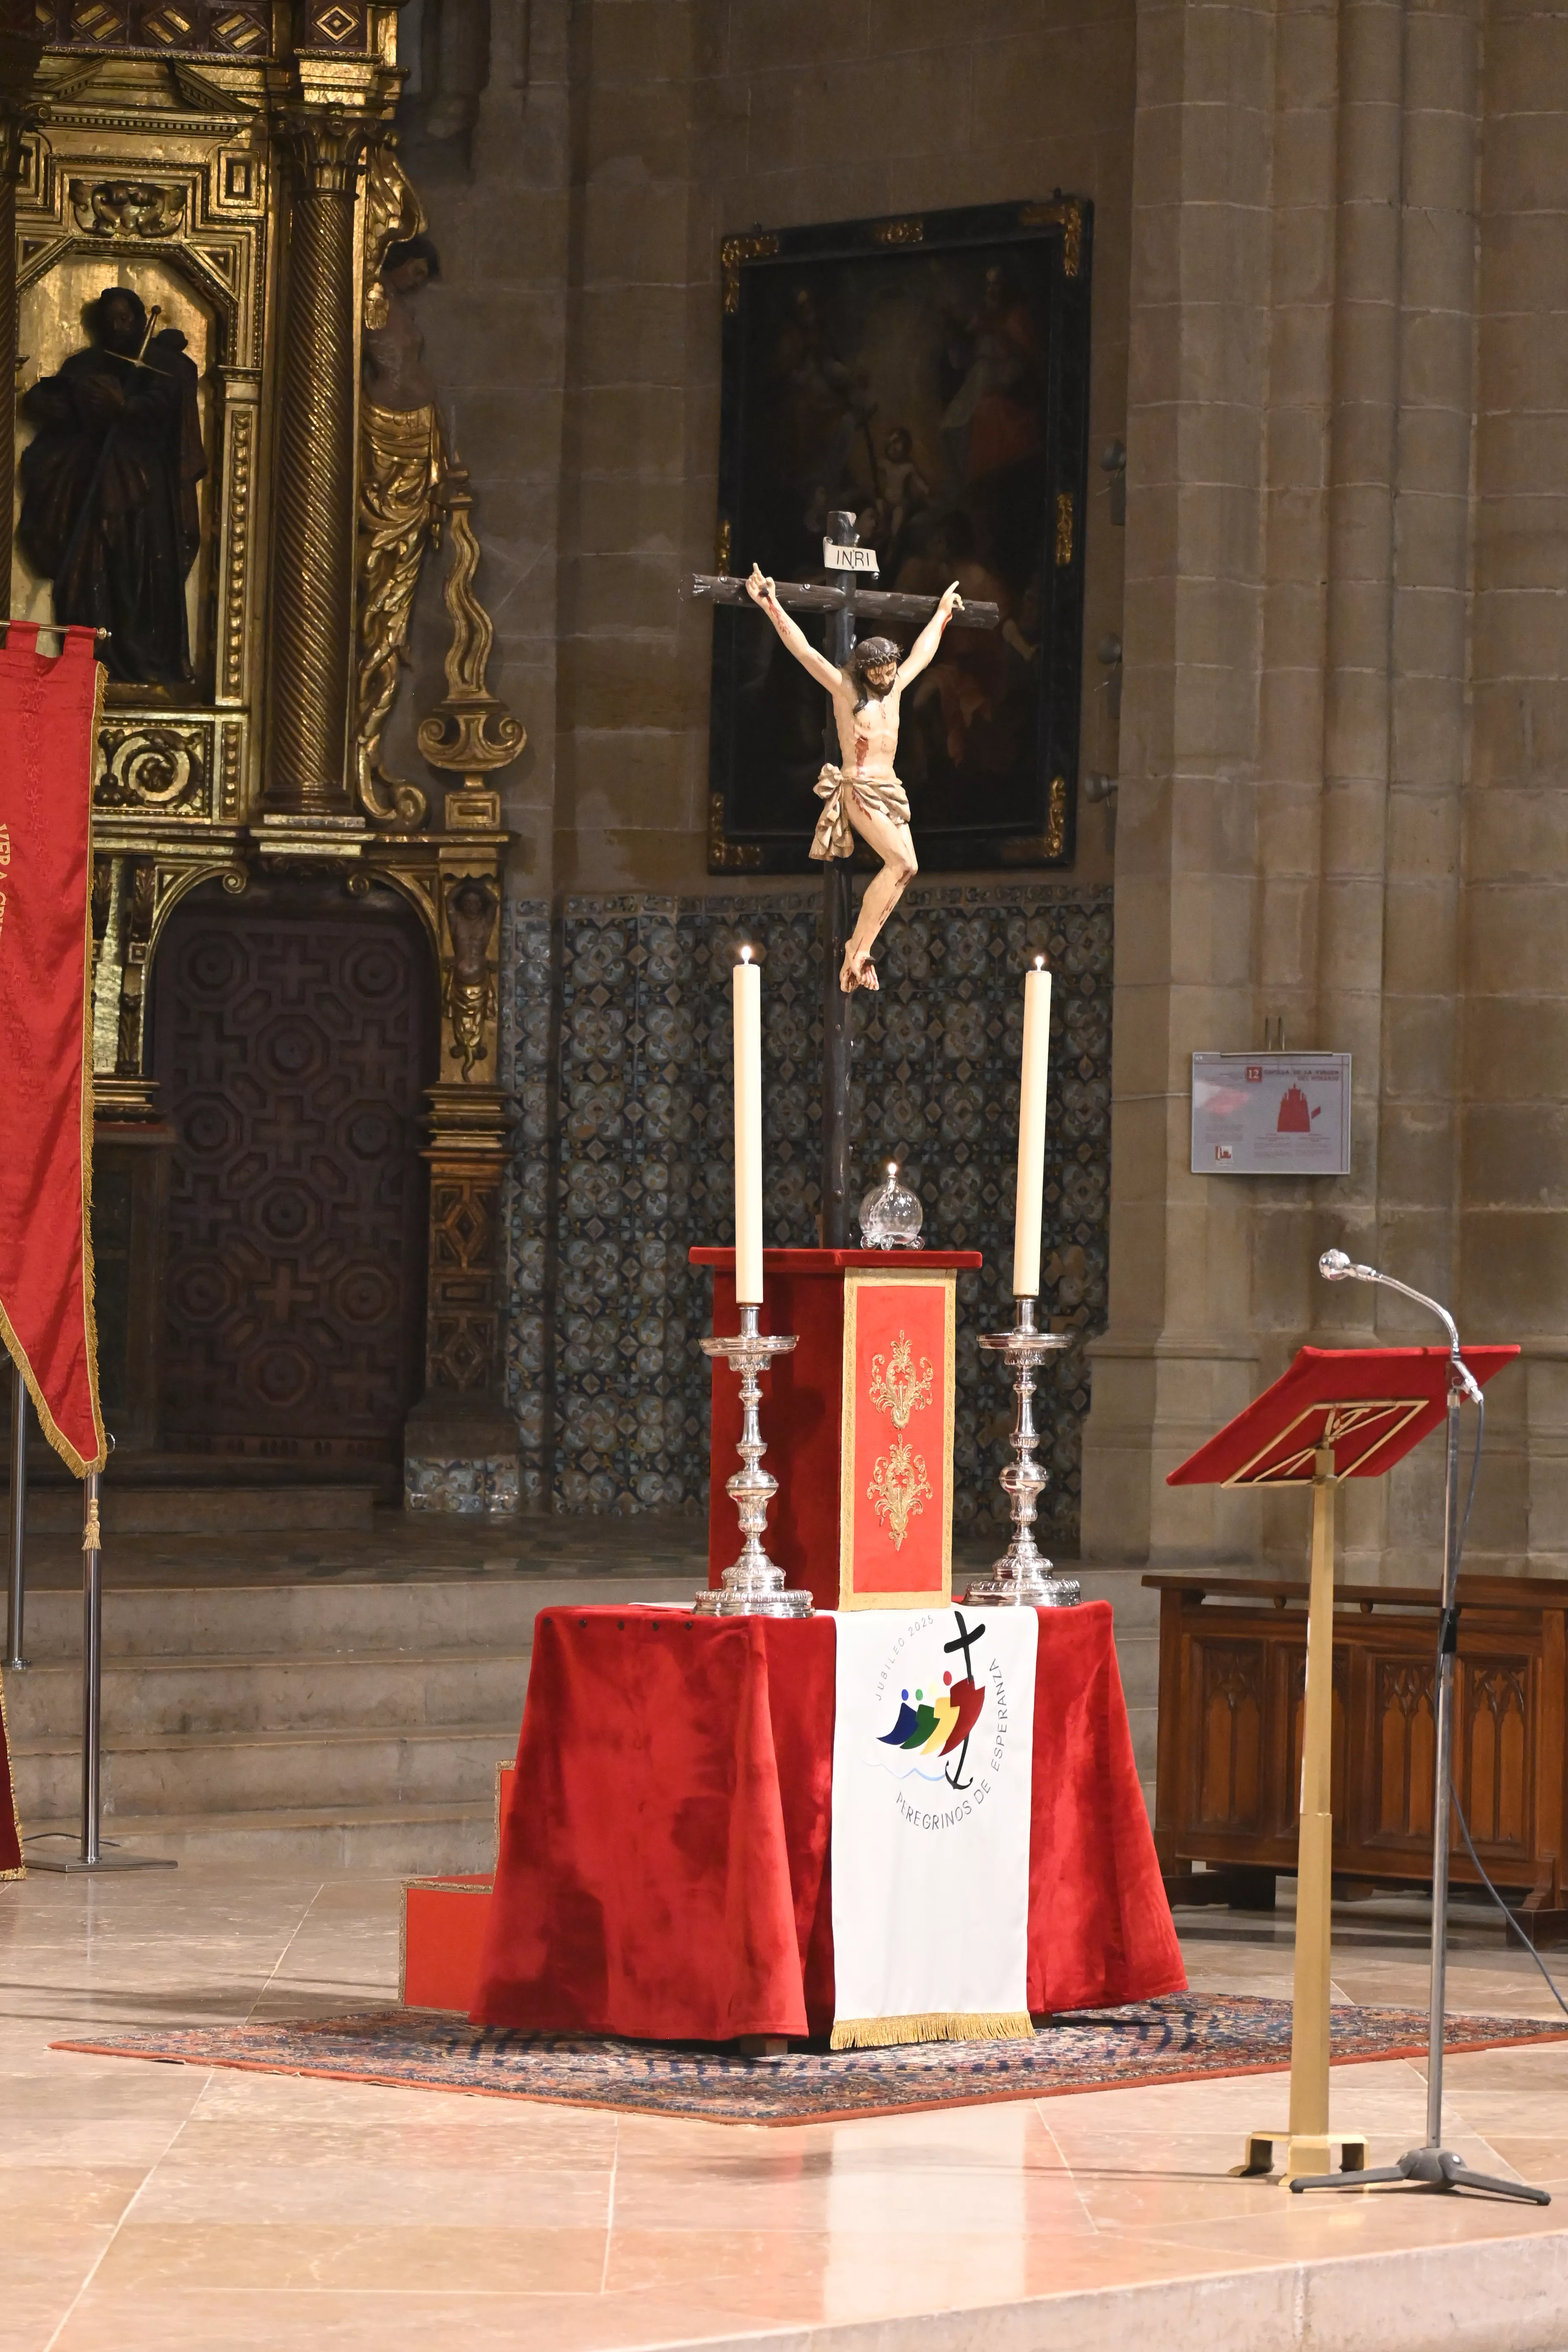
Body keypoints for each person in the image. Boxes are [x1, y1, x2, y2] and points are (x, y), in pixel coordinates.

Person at [745, 560, 964, 993]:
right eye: (878, 674)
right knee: (900, 861)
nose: (885, 679)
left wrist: (941, 614)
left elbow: (922, 653)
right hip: (860, 785)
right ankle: (857, 951)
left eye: (889, 672)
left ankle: (859, 948)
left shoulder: (897, 686)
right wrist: (771, 604)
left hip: (890, 787)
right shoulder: (847, 690)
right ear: (864, 671)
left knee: (910, 867)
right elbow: (805, 651)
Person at [17, 286, 204, 687]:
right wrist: (68, 403)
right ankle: (93, 661)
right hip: (97, 487)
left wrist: (127, 408)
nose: (118, 327)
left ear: (141, 320)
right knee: (92, 574)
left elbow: (166, 406)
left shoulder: (164, 366)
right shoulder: (89, 364)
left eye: (125, 318)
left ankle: (146, 664)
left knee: (143, 579)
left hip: (147, 496)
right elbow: (49, 399)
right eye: (110, 320)